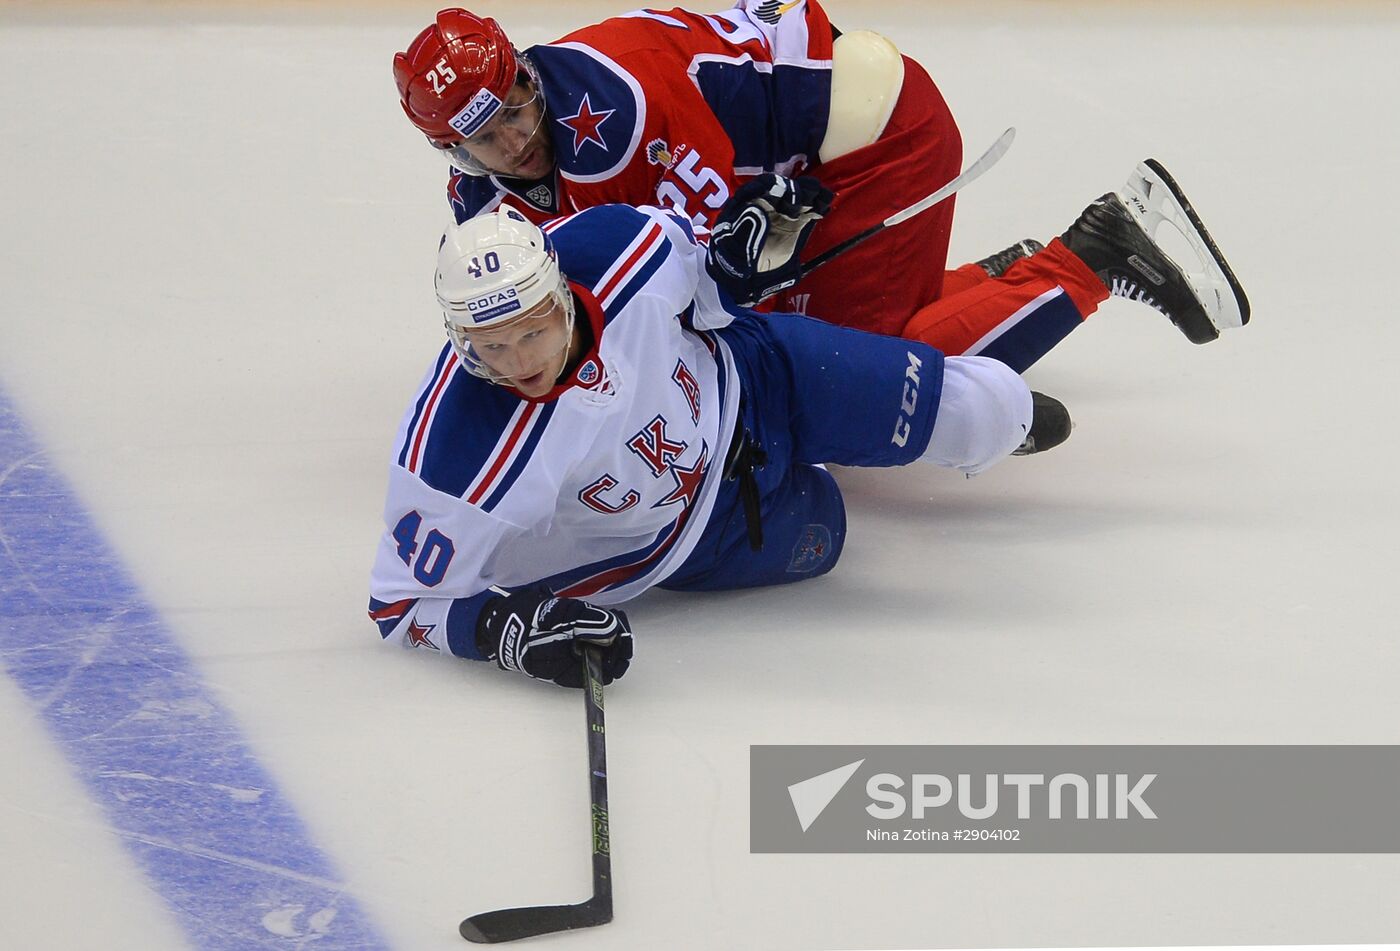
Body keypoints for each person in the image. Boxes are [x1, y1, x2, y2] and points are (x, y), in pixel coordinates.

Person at [367, 199, 1079, 688]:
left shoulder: (622, 248)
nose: (520, 362)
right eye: (491, 348)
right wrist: (504, 628)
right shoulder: (454, 452)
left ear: (560, 291)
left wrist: (738, 256)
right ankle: (849, 448)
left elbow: (709, 287)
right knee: (832, 531)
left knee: (980, 410)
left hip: (760, 377)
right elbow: (398, 606)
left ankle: (988, 415)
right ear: (460, 341)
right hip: (706, 535)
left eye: (533, 331)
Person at [390, 2, 1250, 376]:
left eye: (513, 106)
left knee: (857, 372)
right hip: (808, 165)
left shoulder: (611, 112)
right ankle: (996, 281)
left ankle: (1095, 252)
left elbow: (702, 284)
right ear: (447, 147)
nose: (515, 138)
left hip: (877, 143)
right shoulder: (485, 199)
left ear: (527, 75)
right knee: (776, 337)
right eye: (481, 136)